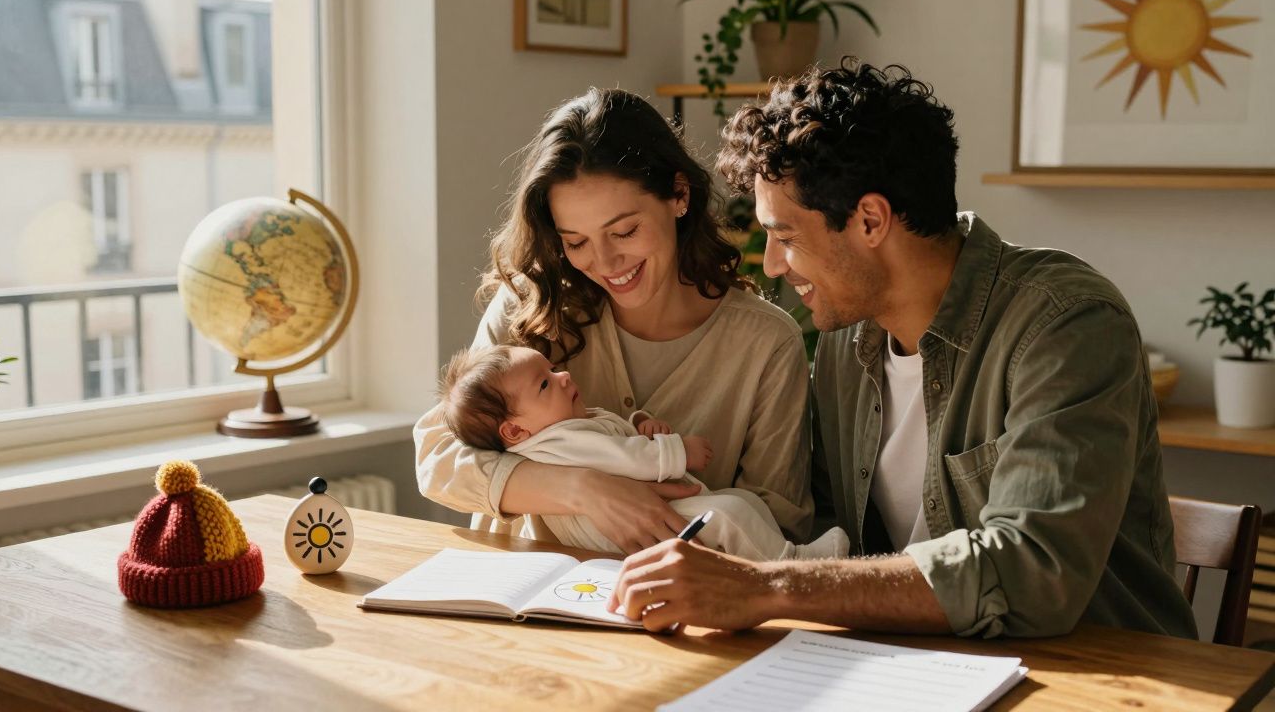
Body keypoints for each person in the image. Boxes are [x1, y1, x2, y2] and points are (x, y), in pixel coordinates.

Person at [609, 61, 1198, 640]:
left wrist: (764, 587)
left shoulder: (1066, 324)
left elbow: (1032, 571)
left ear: (870, 220)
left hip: (1105, 682)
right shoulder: (846, 338)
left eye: (786, 237)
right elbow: (828, 529)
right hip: (915, 674)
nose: (773, 265)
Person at [414, 87, 814, 556]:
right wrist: (584, 489)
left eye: (624, 231)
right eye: (576, 241)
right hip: (531, 604)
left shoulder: (766, 344)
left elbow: (779, 524)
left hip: (689, 614)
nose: (604, 262)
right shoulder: (529, 307)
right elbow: (439, 458)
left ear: (679, 195)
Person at [435, 344, 850, 561]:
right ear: (514, 429)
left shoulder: (560, 427)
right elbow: (624, 459)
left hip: (639, 515)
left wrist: (640, 424)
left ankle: (778, 554)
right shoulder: (556, 441)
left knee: (739, 502)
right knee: (728, 514)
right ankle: (791, 563)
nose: (562, 377)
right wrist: (676, 452)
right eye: (545, 383)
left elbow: (611, 434)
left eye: (552, 368)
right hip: (619, 533)